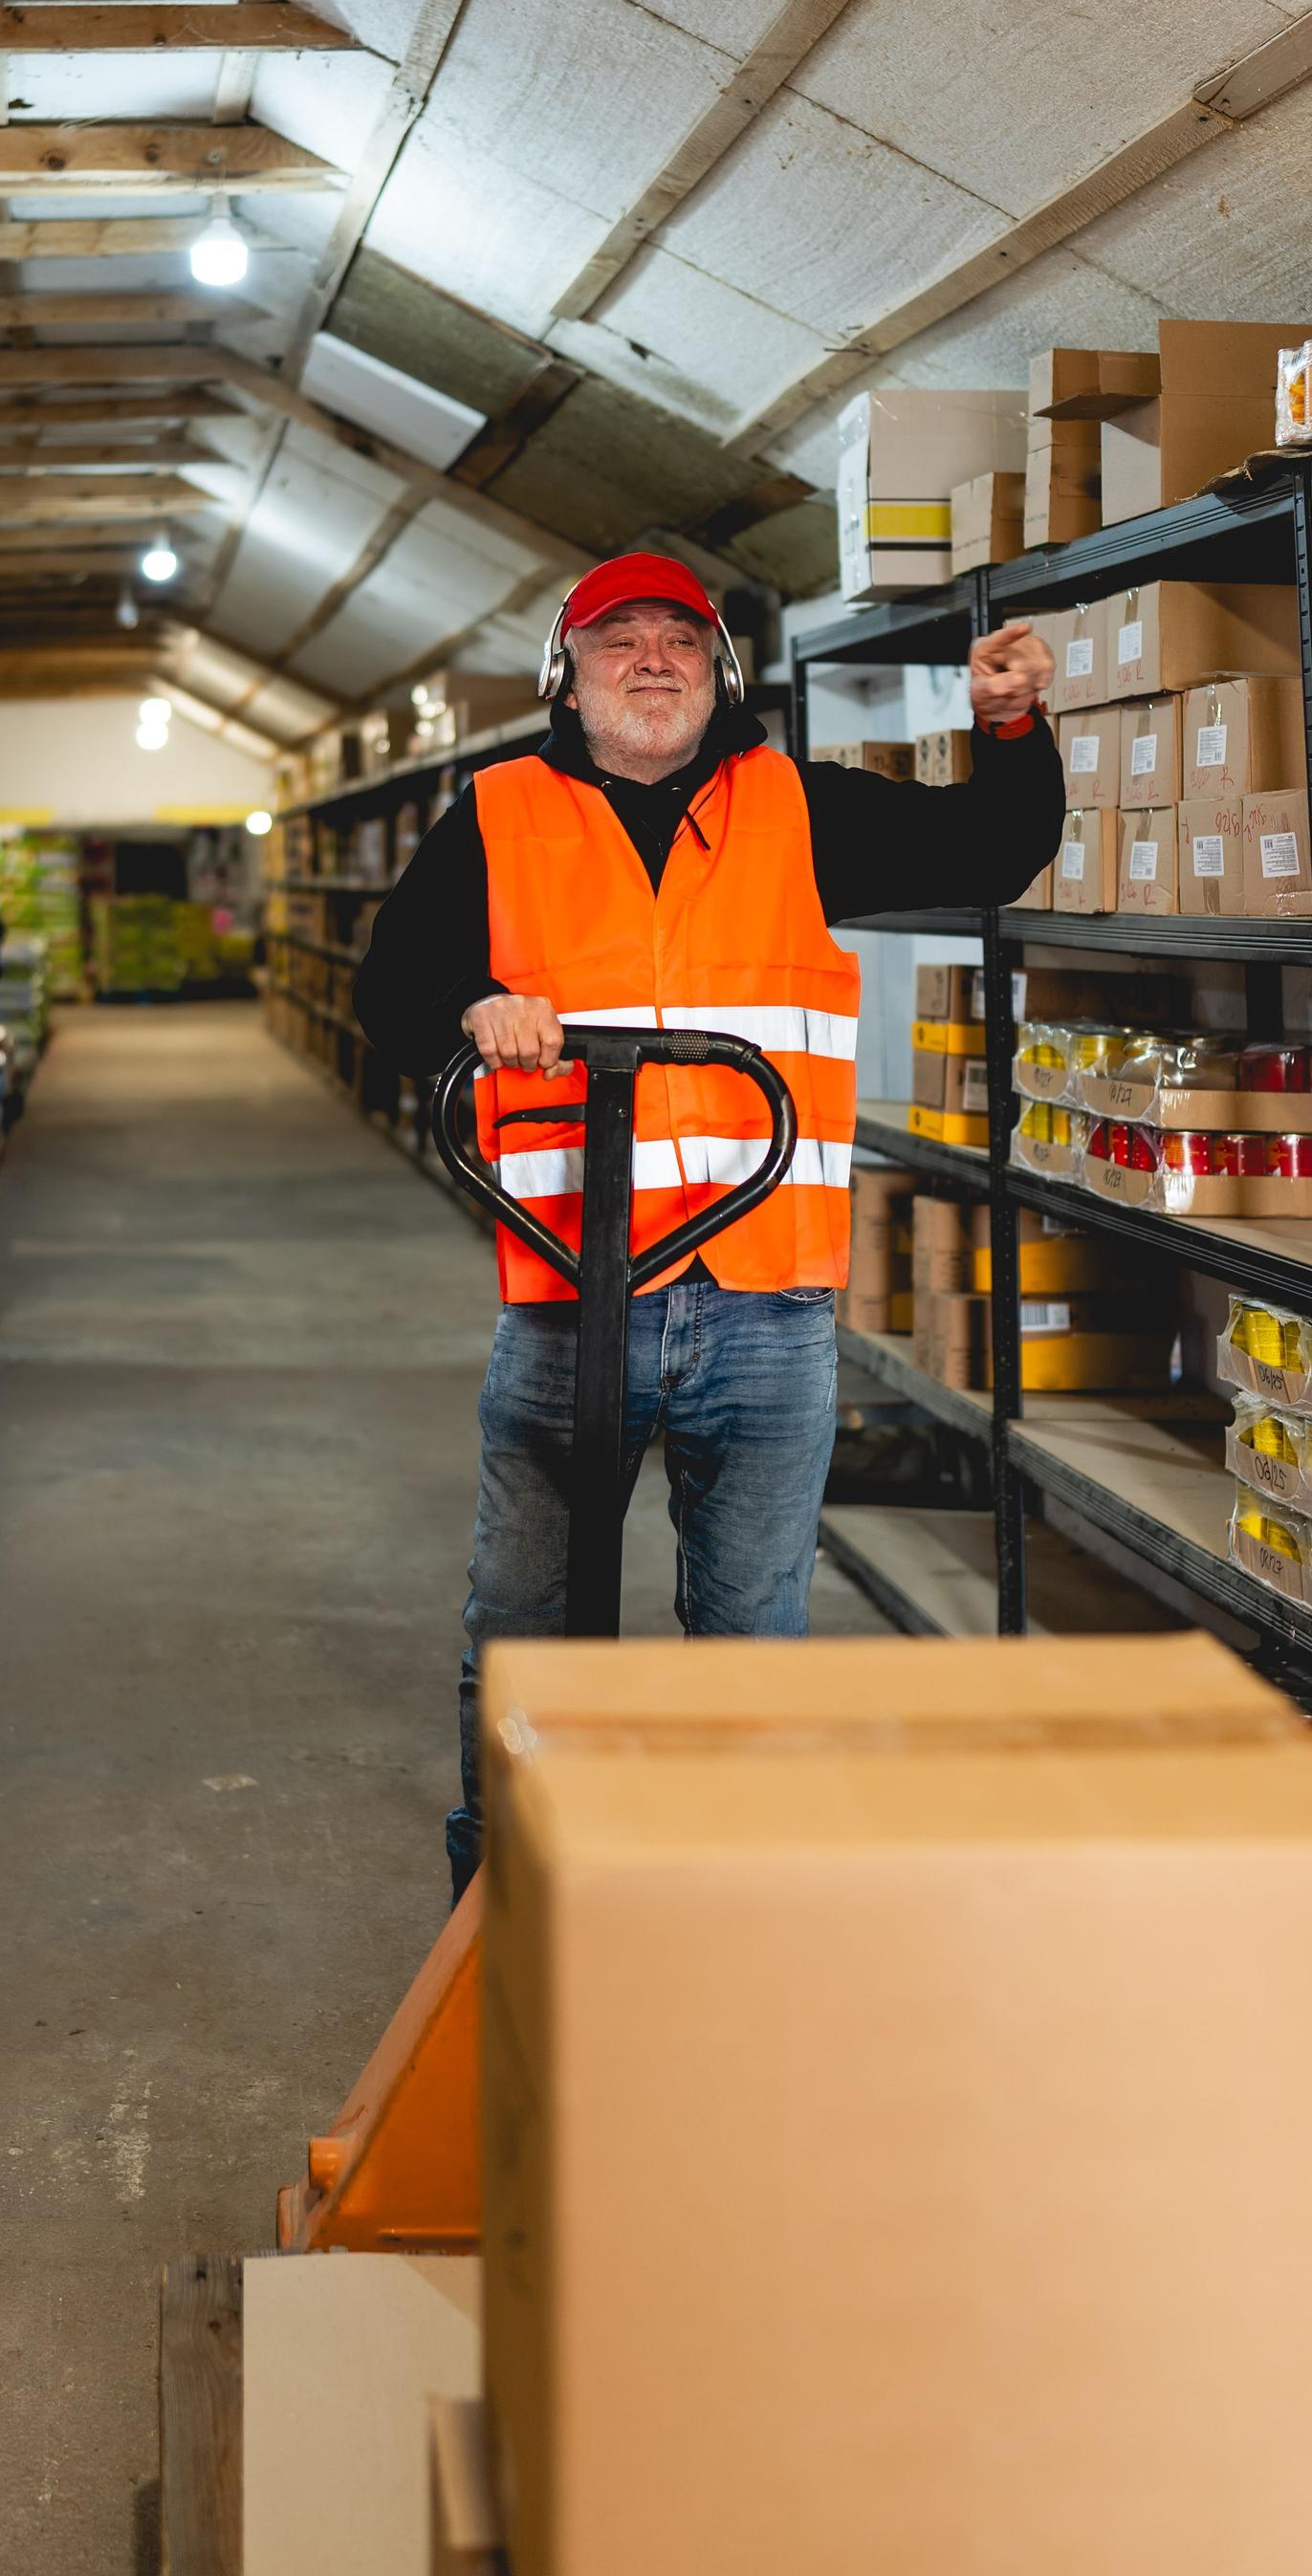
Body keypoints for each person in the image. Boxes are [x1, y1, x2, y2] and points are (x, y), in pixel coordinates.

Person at [355, 552, 1061, 1892]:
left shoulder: (795, 805)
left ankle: (727, 1902)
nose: (656, 662)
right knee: (525, 1624)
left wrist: (1014, 727)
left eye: (682, 639)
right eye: (620, 641)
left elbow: (994, 848)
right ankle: (506, 1894)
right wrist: (471, 1002)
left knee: (749, 1633)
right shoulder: (497, 812)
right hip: (573, 1292)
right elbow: (390, 987)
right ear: (568, 679)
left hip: (764, 1301)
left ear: (720, 671)